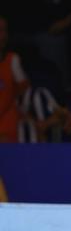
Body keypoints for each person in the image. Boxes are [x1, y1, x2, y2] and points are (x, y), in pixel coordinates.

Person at [0, 15, 30, 143]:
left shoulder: (13, 60)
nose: (2, 35)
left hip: (7, 126)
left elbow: (25, 90)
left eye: (4, 30)